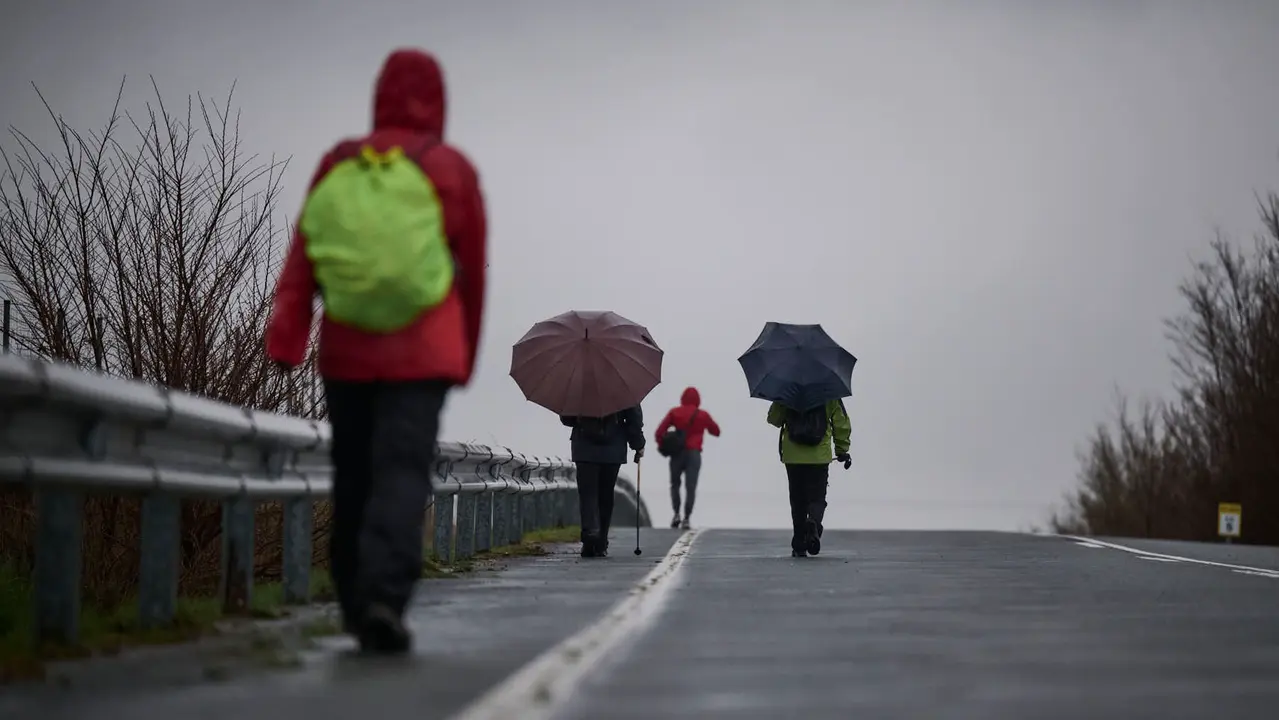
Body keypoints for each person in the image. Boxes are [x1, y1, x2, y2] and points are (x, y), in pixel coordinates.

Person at [265, 48, 487, 654]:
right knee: (402, 470)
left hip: (348, 346)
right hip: (424, 351)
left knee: (355, 471)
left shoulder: (341, 162)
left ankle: (354, 596)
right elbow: (472, 277)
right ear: (438, 100)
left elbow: (303, 255)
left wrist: (287, 336)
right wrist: (462, 356)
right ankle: (385, 596)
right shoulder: (451, 169)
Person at [766, 399, 851, 557]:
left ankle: (799, 543)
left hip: (793, 456)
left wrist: (780, 402)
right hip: (819, 457)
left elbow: (773, 419)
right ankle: (813, 522)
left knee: (797, 500)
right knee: (817, 498)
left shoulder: (787, 391)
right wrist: (841, 449)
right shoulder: (829, 392)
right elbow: (841, 423)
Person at [560, 407, 645, 558]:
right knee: (606, 494)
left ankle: (589, 536)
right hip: (613, 449)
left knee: (587, 494)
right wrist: (638, 445)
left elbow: (566, 419)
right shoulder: (623, 388)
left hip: (584, 448)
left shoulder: (579, 386)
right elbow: (634, 419)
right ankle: (601, 542)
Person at [654, 386, 721, 529]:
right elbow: (716, 431)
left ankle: (676, 513)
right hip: (694, 454)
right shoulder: (703, 415)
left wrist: (664, 445)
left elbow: (659, 432)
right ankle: (686, 518)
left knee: (675, 484)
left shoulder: (674, 412)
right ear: (698, 400)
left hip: (677, 453)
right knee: (690, 487)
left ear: (682, 398)